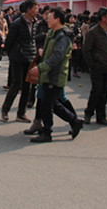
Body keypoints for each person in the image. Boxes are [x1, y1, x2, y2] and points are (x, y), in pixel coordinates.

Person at [29, 8, 84, 143]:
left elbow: (57, 57)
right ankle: (74, 121)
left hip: (55, 74)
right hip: (48, 74)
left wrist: (40, 68)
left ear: (58, 19)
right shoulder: (52, 33)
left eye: (50, 17)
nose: (47, 19)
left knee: (48, 105)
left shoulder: (62, 36)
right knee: (51, 103)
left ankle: (48, 132)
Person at [1, 0, 39, 123]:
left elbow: (33, 40)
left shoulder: (35, 23)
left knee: (27, 87)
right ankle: (5, 110)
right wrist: (11, 54)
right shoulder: (17, 23)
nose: (37, 11)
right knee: (16, 85)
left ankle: (21, 113)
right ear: (28, 9)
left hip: (30, 58)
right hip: (18, 58)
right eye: (35, 8)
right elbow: (9, 41)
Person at [83, 8, 107, 126]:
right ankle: (88, 113)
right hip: (97, 66)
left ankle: (101, 116)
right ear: (103, 18)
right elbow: (86, 50)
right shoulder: (93, 32)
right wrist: (92, 65)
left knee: (104, 93)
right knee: (96, 91)